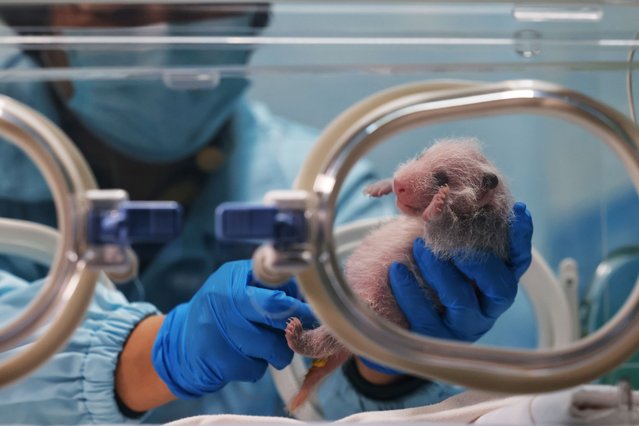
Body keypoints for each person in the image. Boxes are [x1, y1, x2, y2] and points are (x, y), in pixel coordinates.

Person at [0, 3, 534, 424]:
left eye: (195, 11)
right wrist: (149, 357)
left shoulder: (319, 182)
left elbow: (494, 387)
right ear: (38, 26)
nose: (163, 40)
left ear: (251, 18)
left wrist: (384, 368)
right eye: (117, 14)